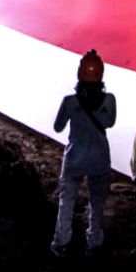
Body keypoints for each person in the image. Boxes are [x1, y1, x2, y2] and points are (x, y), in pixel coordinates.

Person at [50, 49, 117, 259]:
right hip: (99, 159)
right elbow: (109, 122)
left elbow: (58, 127)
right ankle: (94, 242)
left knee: (67, 200)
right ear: (101, 74)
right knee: (97, 203)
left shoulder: (70, 101)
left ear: (80, 73)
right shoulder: (109, 100)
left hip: (74, 159)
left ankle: (61, 242)